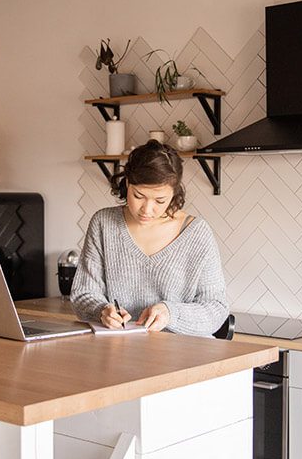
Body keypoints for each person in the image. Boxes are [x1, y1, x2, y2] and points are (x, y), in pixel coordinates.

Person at [70, 140, 228, 336]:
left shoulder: (197, 232)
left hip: (184, 354)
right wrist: (102, 310)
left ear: (174, 193)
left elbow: (216, 309)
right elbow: (83, 295)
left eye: (160, 200)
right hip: (119, 351)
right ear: (127, 183)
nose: (147, 209)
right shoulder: (104, 223)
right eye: (138, 196)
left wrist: (171, 313)